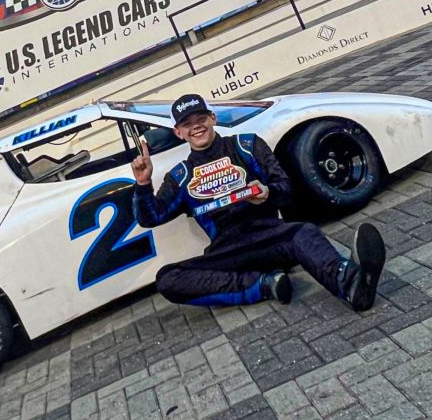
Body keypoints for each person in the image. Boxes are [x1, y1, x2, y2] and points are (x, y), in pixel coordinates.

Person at [130, 94, 386, 311]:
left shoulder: (248, 145)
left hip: (271, 238)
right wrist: (142, 184)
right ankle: (264, 285)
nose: (196, 126)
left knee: (304, 231)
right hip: (227, 253)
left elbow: (286, 189)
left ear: (212, 118)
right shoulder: (180, 176)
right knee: (167, 279)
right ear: (178, 132)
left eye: (201, 119)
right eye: (187, 123)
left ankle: (351, 283)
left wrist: (268, 193)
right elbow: (151, 217)